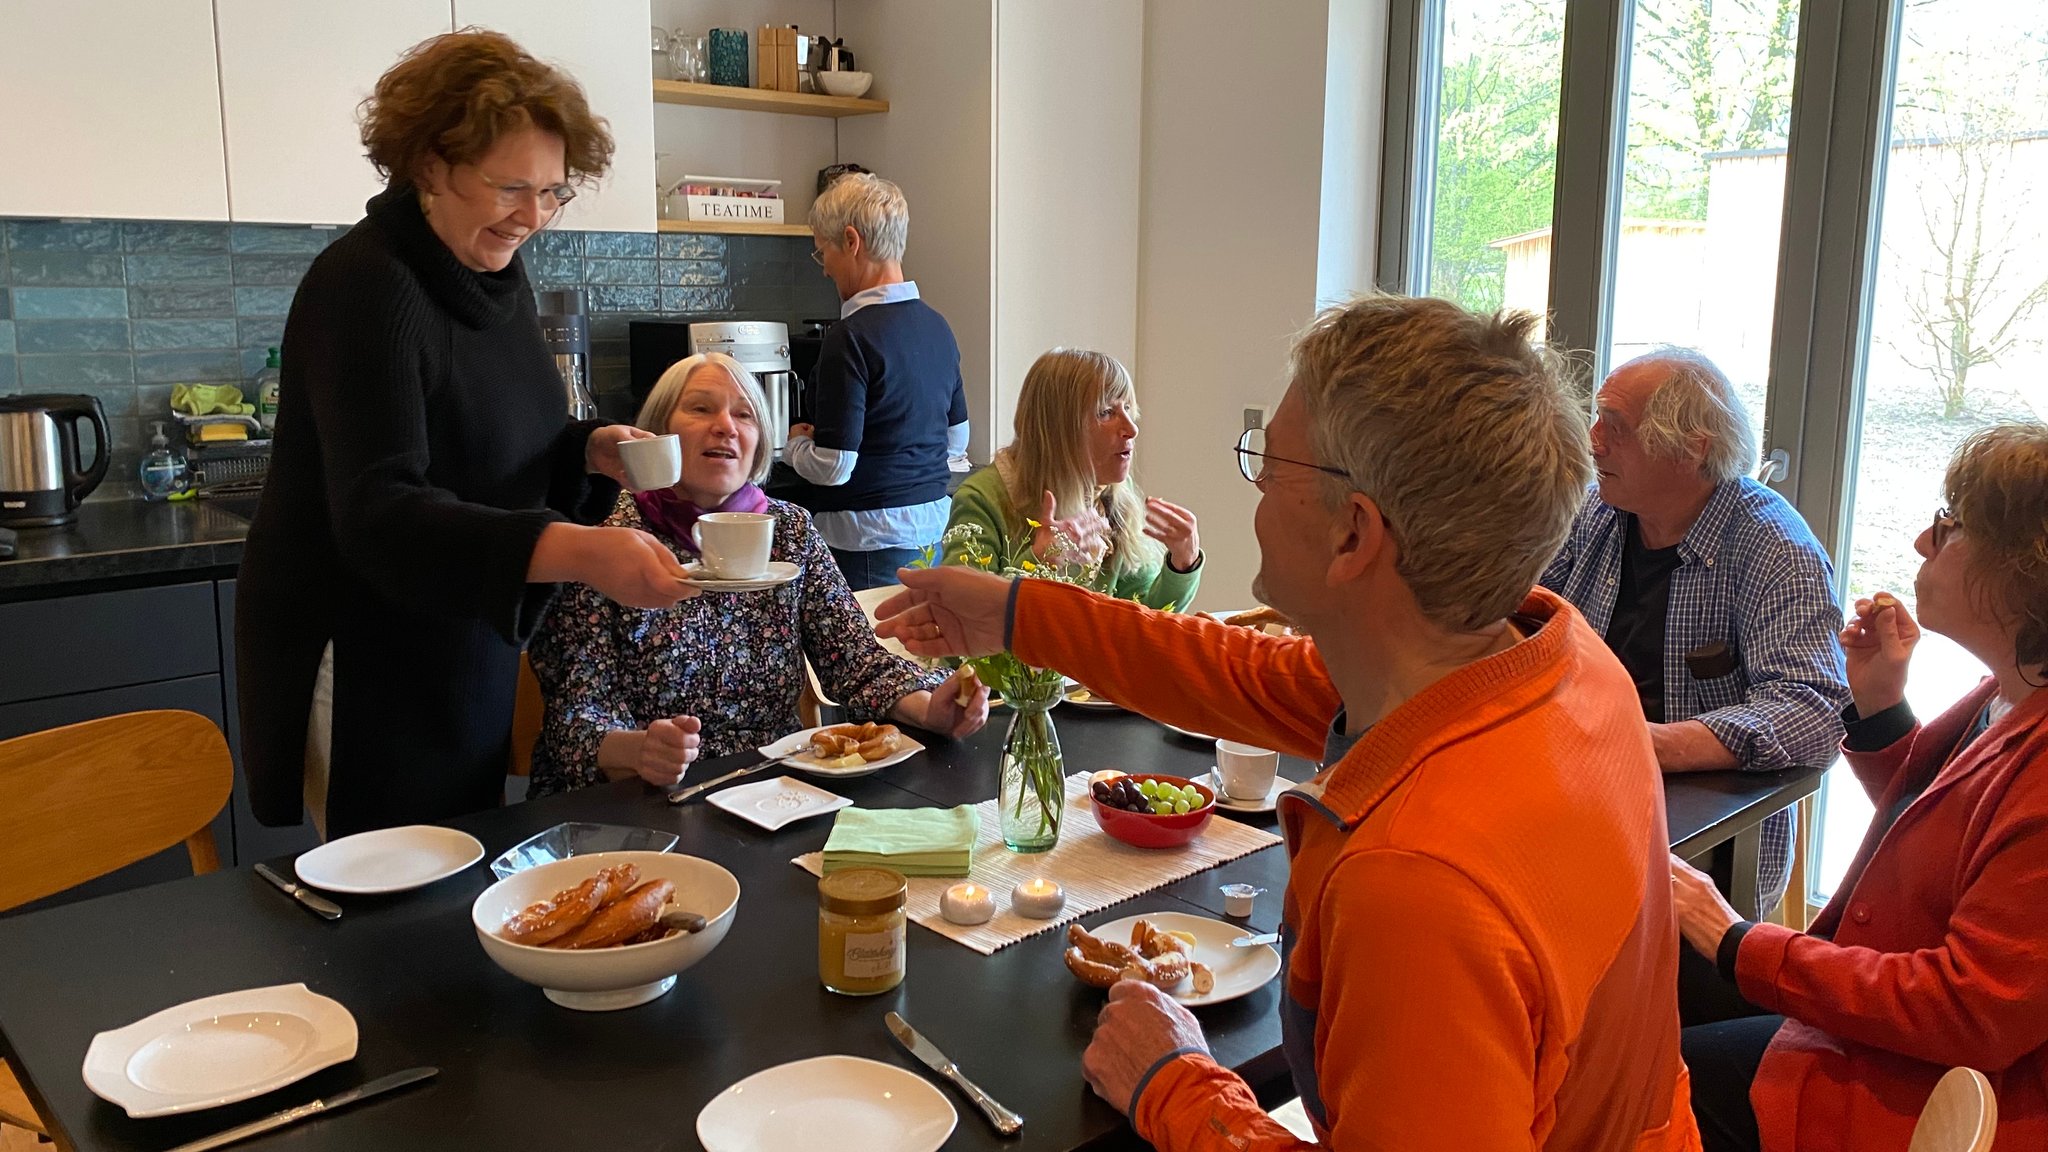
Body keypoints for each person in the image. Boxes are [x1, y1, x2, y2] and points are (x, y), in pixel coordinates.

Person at [877, 295, 1702, 1149]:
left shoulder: (1417, 889)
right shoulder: (1561, 660)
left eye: (1267, 468)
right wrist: (1021, 611)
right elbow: (1235, 669)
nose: (1258, 494)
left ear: (1354, 537)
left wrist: (1176, 1089)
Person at [236, 30, 696, 839]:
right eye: (512, 186)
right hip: (372, 658)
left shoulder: (495, 279)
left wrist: (584, 450)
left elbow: (502, 443)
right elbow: (381, 513)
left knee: (458, 880)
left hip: (462, 648)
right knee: (389, 910)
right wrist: (583, 550)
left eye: (555, 191)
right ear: (430, 166)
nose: (534, 216)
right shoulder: (366, 285)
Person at [1673, 423, 2048, 1152]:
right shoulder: (2011, 690)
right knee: (1667, 1004)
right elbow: (1953, 833)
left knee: (1651, 1078)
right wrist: (1879, 708)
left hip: (1946, 1091)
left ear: (2021, 569)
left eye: (1951, 527)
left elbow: (1971, 1010)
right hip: (1898, 1035)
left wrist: (1738, 939)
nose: (1921, 543)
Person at [526, 354, 990, 795]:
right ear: (656, 435)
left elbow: (855, 661)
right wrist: (639, 750)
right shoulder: (605, 534)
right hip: (638, 796)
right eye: (700, 408)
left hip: (774, 789)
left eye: (744, 415)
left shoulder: (788, 529)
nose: (725, 426)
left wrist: (932, 709)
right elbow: (576, 713)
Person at [1541, 349, 1848, 925]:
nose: (1592, 440)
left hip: (1704, 849)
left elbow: (1812, 713)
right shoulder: (1598, 514)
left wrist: (1650, 744)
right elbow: (1525, 619)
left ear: (1692, 448)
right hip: (1579, 788)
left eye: (1616, 426)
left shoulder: (1774, 548)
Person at [782, 172, 969, 591]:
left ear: (852, 241)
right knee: (915, 654)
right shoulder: (939, 328)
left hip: (864, 541)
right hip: (931, 535)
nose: (825, 269)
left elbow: (834, 467)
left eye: (822, 252)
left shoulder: (848, 339)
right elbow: (956, 443)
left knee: (870, 651)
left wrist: (795, 446)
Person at [944, 348, 1201, 608]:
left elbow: (1140, 620)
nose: (1132, 429)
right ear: (1058, 429)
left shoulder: (1112, 494)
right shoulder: (982, 499)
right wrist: (1039, 563)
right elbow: (958, 626)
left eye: (1127, 408)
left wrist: (1182, 564)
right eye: (1106, 412)